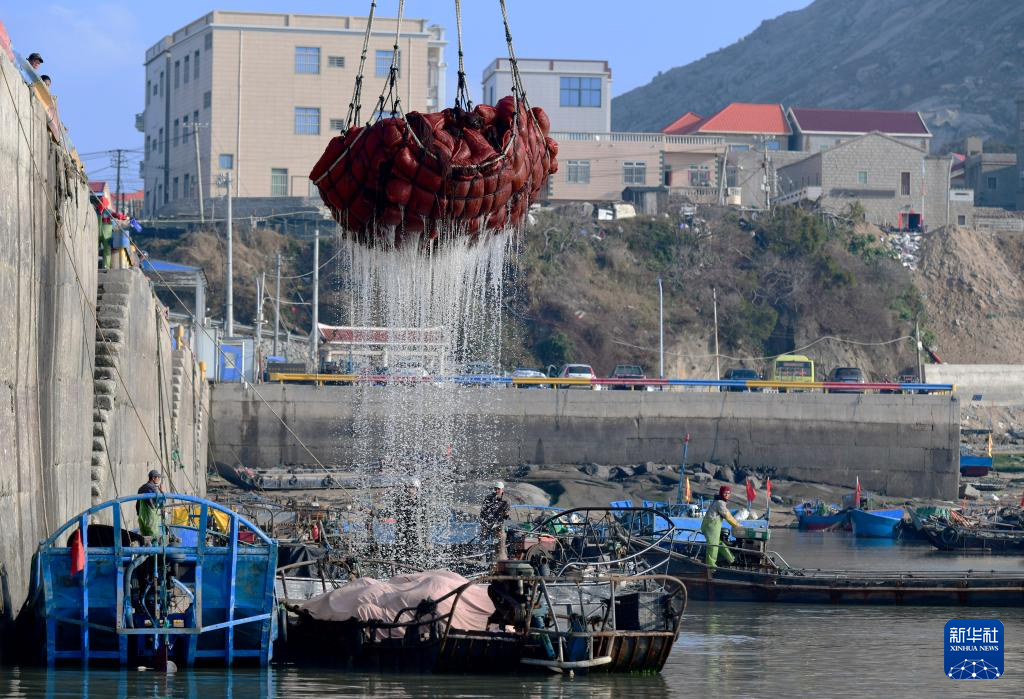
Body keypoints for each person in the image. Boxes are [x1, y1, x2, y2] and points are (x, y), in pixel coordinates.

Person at [700, 485, 744, 569]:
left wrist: (736, 524)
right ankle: (711, 567)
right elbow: (727, 516)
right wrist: (737, 525)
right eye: (725, 493)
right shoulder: (719, 503)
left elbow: (727, 515)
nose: (727, 495)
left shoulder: (720, 502)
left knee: (719, 543)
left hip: (710, 525)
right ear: (721, 493)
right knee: (713, 545)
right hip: (711, 526)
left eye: (728, 493)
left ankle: (731, 559)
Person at [480, 481, 511, 560]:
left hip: (498, 523)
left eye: (498, 489)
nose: (497, 490)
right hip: (487, 522)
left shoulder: (506, 500)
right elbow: (483, 511)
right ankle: (482, 557)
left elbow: (507, 513)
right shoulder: (488, 498)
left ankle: (500, 558)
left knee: (500, 539)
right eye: (495, 489)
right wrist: (483, 522)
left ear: (502, 490)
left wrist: (506, 514)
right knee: (483, 539)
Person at [137, 470, 163, 540]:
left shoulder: (141, 488)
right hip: (150, 519)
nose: (159, 479)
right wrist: (162, 492)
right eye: (159, 478)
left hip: (141, 518)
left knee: (144, 540)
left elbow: (137, 505)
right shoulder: (152, 488)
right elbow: (159, 502)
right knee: (154, 539)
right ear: (154, 478)